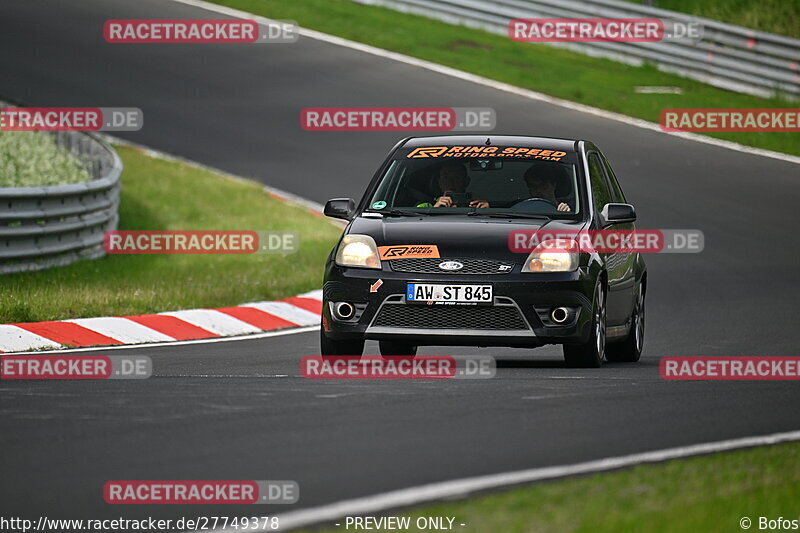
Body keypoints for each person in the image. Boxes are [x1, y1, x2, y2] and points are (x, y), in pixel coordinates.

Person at [417, 162, 489, 208]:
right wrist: (435, 210)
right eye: (446, 177)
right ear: (439, 182)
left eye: (457, 177)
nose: (450, 182)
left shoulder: (475, 205)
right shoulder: (426, 207)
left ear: (466, 182)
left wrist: (486, 212)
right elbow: (416, 225)